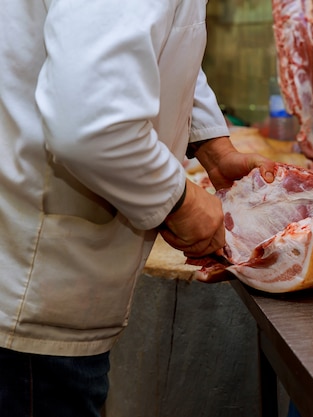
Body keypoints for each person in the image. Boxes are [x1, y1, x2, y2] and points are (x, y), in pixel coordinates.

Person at [0, 1, 274, 415]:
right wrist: (179, 201)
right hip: (29, 297)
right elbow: (92, 121)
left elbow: (153, 43)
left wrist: (212, 148)